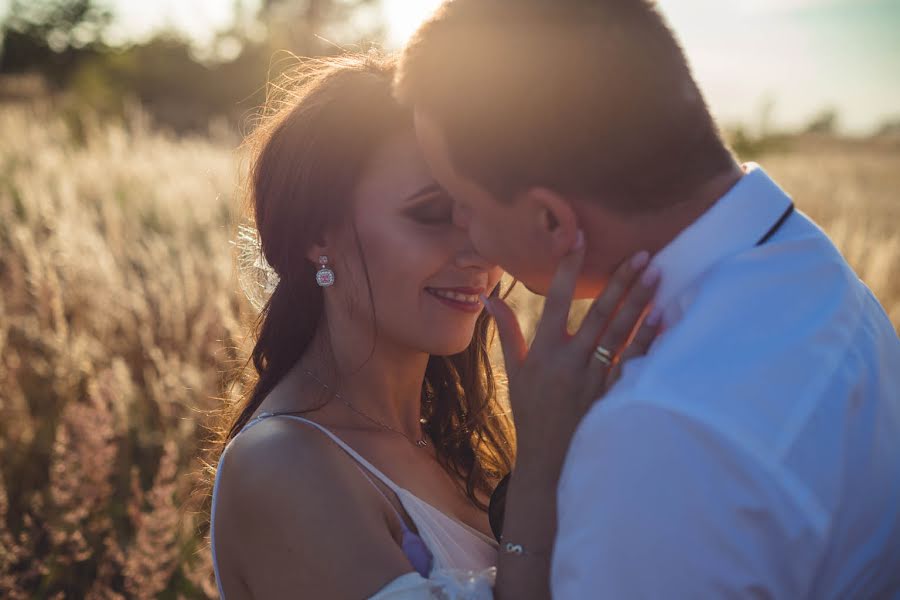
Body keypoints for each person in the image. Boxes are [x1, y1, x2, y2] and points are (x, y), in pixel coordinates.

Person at [395, 1, 900, 598]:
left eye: (463, 201)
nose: (463, 229)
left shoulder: (663, 431)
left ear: (552, 220)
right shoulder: (809, 267)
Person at [209, 53, 659, 599]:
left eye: (479, 214)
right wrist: (546, 468)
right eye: (431, 214)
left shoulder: (461, 445)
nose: (481, 251)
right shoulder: (279, 463)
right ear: (316, 234)